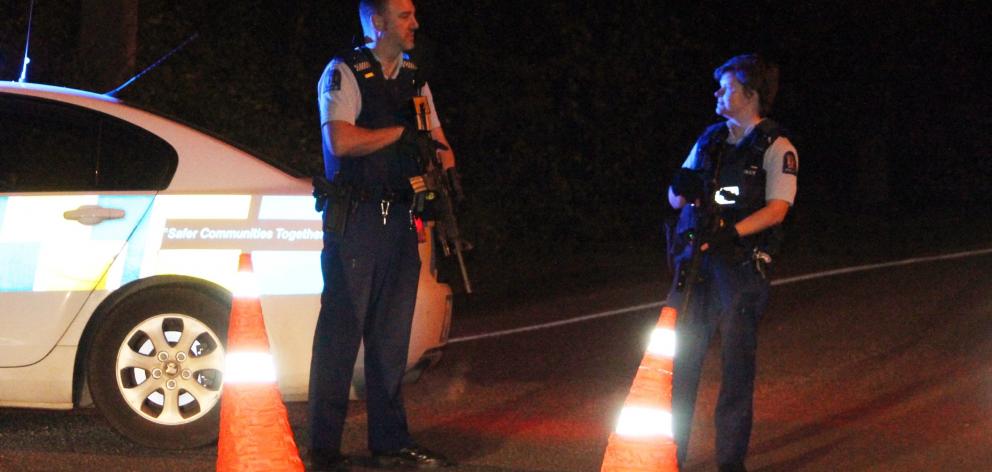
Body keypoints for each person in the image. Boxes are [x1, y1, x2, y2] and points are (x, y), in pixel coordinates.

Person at [309, 0, 456, 469]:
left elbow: (438, 139)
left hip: (401, 220)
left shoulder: (414, 77)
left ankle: (390, 441)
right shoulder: (345, 71)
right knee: (340, 335)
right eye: (406, 16)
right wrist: (398, 135)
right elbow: (341, 140)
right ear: (379, 22)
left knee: (392, 340)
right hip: (357, 220)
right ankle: (325, 449)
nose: (416, 23)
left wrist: (445, 175)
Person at [666, 54, 798, 472]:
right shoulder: (709, 140)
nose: (718, 93)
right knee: (677, 368)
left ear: (751, 94)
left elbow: (778, 209)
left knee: (736, 372)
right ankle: (670, 459)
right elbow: (675, 199)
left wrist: (731, 234)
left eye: (726, 87)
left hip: (740, 270)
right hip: (694, 269)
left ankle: (730, 464)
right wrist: (680, 188)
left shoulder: (777, 147)